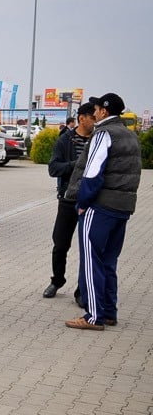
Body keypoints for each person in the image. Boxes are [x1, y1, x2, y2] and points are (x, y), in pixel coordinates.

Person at [64, 93, 141, 331]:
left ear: (104, 112)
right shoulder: (130, 136)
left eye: (96, 109)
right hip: (123, 207)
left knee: (91, 261)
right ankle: (108, 311)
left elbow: (92, 172)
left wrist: (83, 202)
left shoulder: (103, 133)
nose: (94, 113)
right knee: (108, 261)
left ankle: (93, 316)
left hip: (100, 207)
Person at [43, 103, 95, 299]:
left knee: (87, 247)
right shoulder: (66, 140)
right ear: (82, 119)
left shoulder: (99, 140)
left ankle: (82, 289)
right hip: (67, 200)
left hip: (91, 202)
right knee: (60, 244)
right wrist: (78, 165)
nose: (96, 121)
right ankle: (57, 280)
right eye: (93, 117)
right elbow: (53, 169)